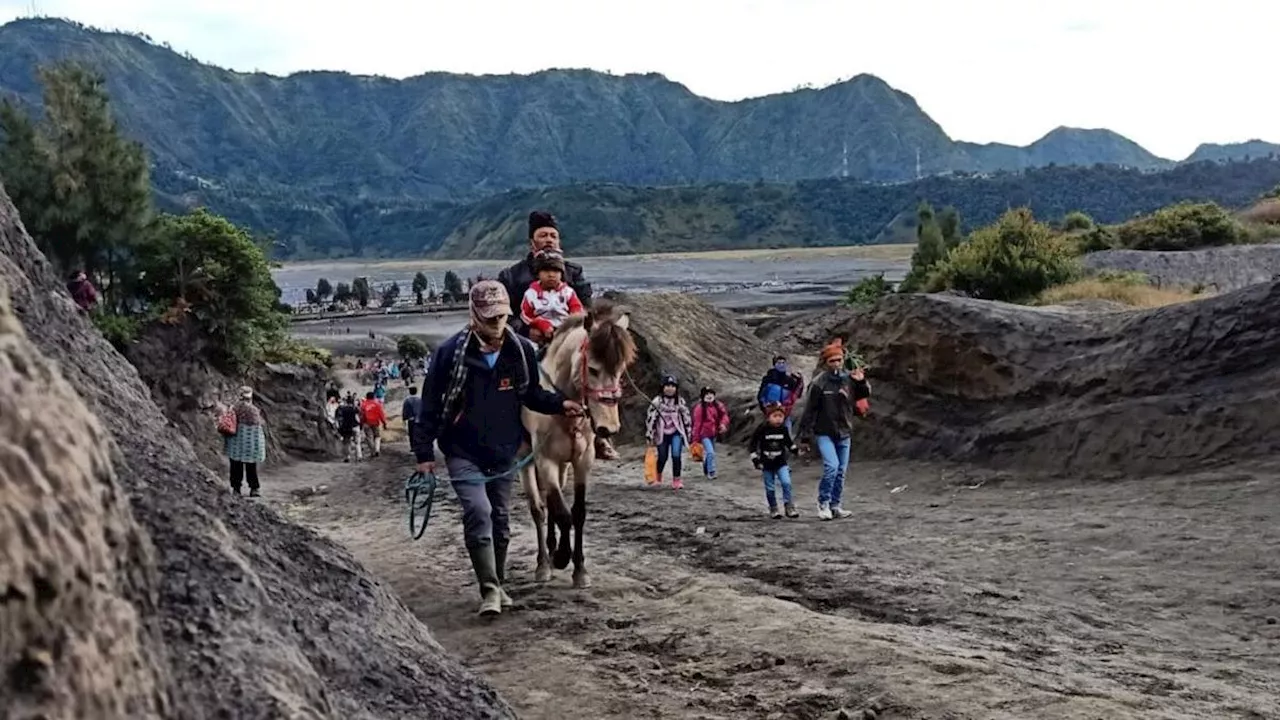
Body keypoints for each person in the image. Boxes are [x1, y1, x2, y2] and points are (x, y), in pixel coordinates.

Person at [412, 280, 583, 617]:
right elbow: (429, 407)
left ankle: (499, 582)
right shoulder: (449, 354)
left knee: (501, 520)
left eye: (502, 316)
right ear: (474, 314)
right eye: (489, 317)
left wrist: (563, 404)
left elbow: (532, 395)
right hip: (462, 450)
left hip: (504, 451)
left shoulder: (519, 350)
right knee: (479, 512)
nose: (496, 323)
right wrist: (424, 455)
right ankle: (489, 590)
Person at [498, 211, 617, 460]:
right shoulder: (511, 276)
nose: (549, 240)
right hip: (528, 341)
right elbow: (505, 316)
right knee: (508, 376)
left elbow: (586, 310)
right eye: (543, 235)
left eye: (553, 235)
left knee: (602, 370)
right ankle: (512, 433)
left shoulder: (573, 272)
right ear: (532, 242)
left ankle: (600, 436)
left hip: (570, 340)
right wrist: (526, 329)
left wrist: (574, 330)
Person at [796, 339, 871, 521]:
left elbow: (863, 395)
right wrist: (804, 437)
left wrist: (861, 382)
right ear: (826, 362)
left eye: (839, 360)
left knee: (841, 471)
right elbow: (809, 411)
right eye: (832, 361)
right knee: (832, 467)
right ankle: (823, 503)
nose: (836, 364)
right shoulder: (819, 384)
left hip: (844, 431)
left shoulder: (848, 379)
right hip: (824, 432)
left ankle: (836, 505)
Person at [520, 249, 584, 348]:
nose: (551, 275)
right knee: (531, 351)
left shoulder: (568, 292)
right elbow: (525, 314)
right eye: (546, 271)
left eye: (555, 271)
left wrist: (571, 323)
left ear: (561, 274)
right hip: (540, 333)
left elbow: (577, 309)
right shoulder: (531, 293)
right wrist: (540, 323)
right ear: (538, 274)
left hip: (565, 330)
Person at [750, 403, 801, 519]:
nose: (778, 419)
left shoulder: (783, 429)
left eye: (781, 416)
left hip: (781, 462)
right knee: (770, 487)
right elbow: (753, 444)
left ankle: (789, 506)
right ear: (768, 417)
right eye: (775, 416)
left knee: (786, 482)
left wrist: (796, 450)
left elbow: (789, 443)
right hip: (766, 464)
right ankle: (773, 508)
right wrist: (755, 460)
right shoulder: (762, 429)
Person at [644, 375, 693, 490]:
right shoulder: (657, 402)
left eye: (672, 386)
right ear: (662, 387)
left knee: (676, 455)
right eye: (667, 386)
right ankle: (658, 476)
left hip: (676, 432)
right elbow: (650, 419)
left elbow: (686, 417)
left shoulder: (680, 401)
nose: (670, 388)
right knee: (662, 457)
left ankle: (677, 480)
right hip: (662, 433)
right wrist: (650, 434)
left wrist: (689, 432)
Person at [224, 386, 267, 497]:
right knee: (251, 466)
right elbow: (259, 425)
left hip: (235, 441)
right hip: (250, 443)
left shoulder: (233, 407)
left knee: (235, 465)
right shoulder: (253, 409)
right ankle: (254, 488)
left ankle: (236, 489)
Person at [690, 386, 729, 480]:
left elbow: (724, 415)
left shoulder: (718, 405)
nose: (709, 396)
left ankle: (706, 467)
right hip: (704, 434)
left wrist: (723, 424)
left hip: (714, 433)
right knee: (711, 452)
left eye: (711, 393)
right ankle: (712, 471)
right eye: (706, 394)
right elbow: (697, 424)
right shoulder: (699, 408)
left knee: (709, 453)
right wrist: (695, 439)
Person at [758, 355, 804, 433]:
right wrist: (765, 407)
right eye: (779, 363)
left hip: (785, 412)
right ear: (774, 364)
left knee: (787, 432)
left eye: (783, 363)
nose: (781, 365)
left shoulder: (790, 380)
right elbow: (761, 396)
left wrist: (800, 382)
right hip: (770, 411)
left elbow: (797, 395)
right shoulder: (768, 378)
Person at [360, 391, 388, 457]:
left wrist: (361, 423)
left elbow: (361, 415)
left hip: (366, 423)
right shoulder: (377, 404)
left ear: (366, 397)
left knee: (369, 437)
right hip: (375, 422)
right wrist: (384, 423)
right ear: (374, 397)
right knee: (377, 436)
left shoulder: (363, 405)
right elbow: (381, 414)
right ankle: (377, 450)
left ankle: (372, 451)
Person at [336, 394, 362, 462]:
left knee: (347, 443)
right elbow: (358, 418)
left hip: (346, 427)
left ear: (346, 402)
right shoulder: (355, 409)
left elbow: (340, 419)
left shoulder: (343, 409)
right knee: (357, 443)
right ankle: (359, 456)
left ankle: (347, 457)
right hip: (355, 426)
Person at [402, 385, 422, 453]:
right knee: (419, 433)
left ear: (410, 392)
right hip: (419, 419)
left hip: (411, 419)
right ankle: (419, 445)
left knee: (411, 433)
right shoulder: (420, 399)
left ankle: (413, 447)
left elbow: (405, 410)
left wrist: (404, 418)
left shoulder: (407, 400)